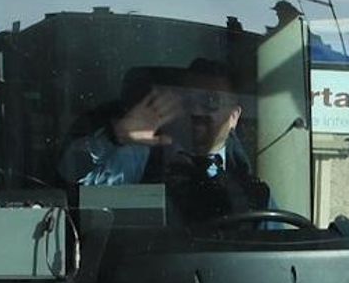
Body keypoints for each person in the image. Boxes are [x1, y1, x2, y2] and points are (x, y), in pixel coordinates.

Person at [58, 58, 271, 226]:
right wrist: (115, 134)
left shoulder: (249, 183)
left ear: (234, 116)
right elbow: (71, 182)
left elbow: (280, 244)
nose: (196, 111)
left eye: (210, 101)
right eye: (188, 100)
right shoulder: (142, 156)